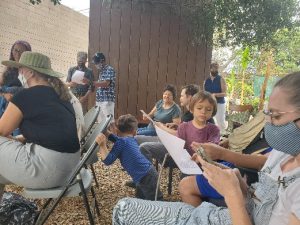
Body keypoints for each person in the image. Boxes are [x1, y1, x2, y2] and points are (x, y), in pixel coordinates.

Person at [112, 71, 300, 225]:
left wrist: (232, 193)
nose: (268, 125)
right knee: (124, 207)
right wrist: (241, 187)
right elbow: (265, 169)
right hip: (224, 214)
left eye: (275, 117)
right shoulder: (285, 150)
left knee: (123, 211)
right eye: (267, 115)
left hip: (232, 216)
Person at [0, 52, 80, 201]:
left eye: (21, 69)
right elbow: (52, 133)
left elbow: (1, 130)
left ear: (30, 72)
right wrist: (18, 139)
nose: (20, 73)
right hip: (69, 169)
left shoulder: (24, 96)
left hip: (48, 170)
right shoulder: (61, 96)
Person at [95, 114, 163, 200]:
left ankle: (162, 211)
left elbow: (108, 161)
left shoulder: (121, 143)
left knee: (155, 200)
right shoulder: (129, 139)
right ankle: (143, 210)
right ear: (135, 132)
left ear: (116, 129)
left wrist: (102, 145)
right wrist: (107, 133)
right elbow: (116, 139)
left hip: (146, 177)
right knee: (140, 198)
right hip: (146, 174)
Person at [89, 52, 116, 122]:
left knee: (110, 122)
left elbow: (106, 84)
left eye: (96, 63)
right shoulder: (102, 71)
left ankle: (114, 133)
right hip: (100, 100)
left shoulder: (109, 69)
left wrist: (89, 82)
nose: (96, 65)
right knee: (101, 123)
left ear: (102, 61)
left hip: (106, 100)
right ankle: (103, 133)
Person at [204, 62, 227, 134]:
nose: (215, 70)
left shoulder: (221, 79)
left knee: (220, 121)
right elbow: (204, 92)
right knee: (209, 121)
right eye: (213, 68)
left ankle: (222, 136)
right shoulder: (206, 81)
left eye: (216, 69)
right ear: (210, 69)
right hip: (209, 103)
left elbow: (225, 94)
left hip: (219, 104)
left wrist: (215, 95)